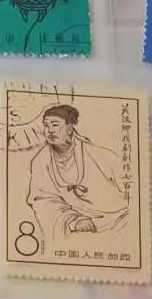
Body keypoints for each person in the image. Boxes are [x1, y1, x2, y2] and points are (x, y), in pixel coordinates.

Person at [26, 104, 130, 247]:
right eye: (46, 125)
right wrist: (73, 220)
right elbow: (43, 200)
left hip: (118, 221)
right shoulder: (41, 160)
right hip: (75, 225)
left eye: (55, 125)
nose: (50, 130)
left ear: (69, 128)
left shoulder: (99, 155)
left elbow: (132, 192)